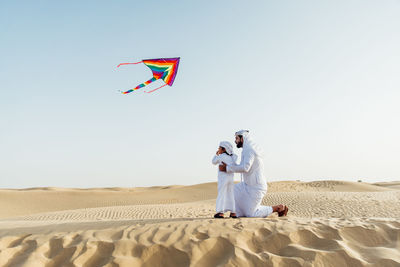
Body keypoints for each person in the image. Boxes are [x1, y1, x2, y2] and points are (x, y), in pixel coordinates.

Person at [219, 130, 288, 217]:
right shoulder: (246, 150)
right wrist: (228, 165)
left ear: (242, 138)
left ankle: (278, 208)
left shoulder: (249, 150)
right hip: (246, 186)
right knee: (231, 191)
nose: (235, 141)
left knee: (252, 214)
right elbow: (242, 166)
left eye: (237, 138)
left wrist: (227, 168)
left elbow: (245, 167)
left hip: (256, 187)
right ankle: (231, 212)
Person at [212, 141, 238, 218]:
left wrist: (216, 155)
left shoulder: (221, 156)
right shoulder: (232, 158)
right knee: (231, 194)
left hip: (223, 179)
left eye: (219, 148)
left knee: (222, 194)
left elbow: (213, 162)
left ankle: (220, 212)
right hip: (231, 179)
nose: (218, 149)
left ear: (223, 149)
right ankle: (233, 212)